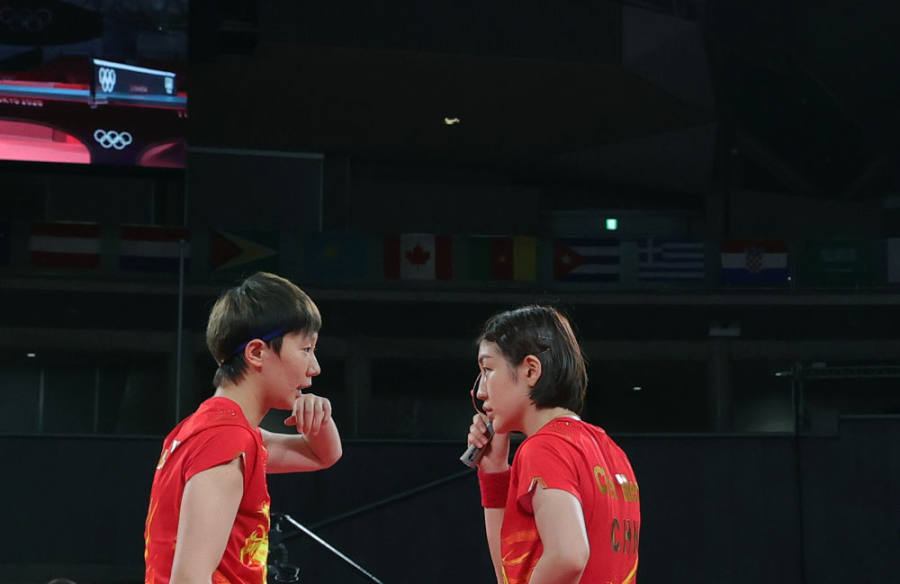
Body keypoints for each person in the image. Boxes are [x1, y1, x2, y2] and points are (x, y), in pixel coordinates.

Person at [144, 272, 343, 584]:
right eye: (306, 349)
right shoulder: (225, 444)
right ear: (257, 353)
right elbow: (189, 580)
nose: (315, 367)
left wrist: (320, 419)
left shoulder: (210, 431)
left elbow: (323, 456)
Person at [466, 306, 640, 584]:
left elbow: (568, 557)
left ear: (530, 371)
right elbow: (510, 576)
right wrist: (494, 472)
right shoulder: (612, 453)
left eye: (488, 370)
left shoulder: (543, 448)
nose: (480, 391)